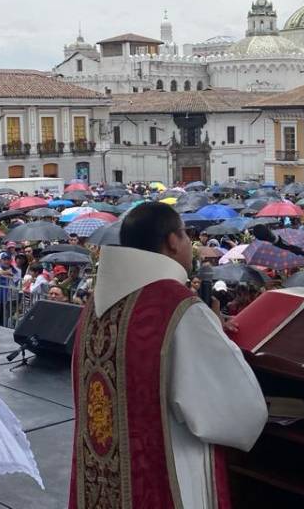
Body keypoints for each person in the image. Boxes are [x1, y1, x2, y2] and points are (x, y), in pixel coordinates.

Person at [68, 201, 266, 509]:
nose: (189, 244)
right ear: (173, 241)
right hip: (169, 472)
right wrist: (211, 330)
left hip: (102, 480)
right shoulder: (177, 308)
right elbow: (238, 414)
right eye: (186, 236)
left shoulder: (97, 303)